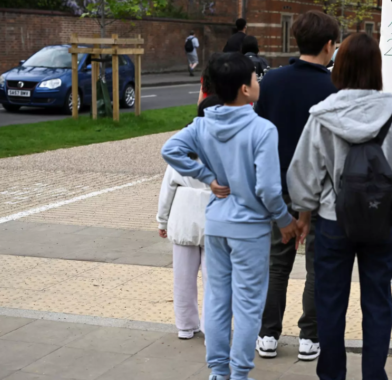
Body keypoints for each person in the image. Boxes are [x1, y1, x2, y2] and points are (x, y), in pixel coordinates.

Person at [286, 33, 392, 380]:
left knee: (330, 301)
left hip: (333, 222)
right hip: (383, 220)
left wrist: (304, 217)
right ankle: (373, 375)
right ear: (377, 68)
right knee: (378, 301)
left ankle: (332, 374)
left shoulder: (322, 116)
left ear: (342, 66)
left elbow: (304, 173)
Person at [161, 53, 298, 380]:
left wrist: (206, 176)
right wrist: (284, 220)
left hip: (217, 223)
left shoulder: (202, 124)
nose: (257, 82)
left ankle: (219, 373)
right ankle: (239, 374)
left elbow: (170, 150)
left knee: (218, 300)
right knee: (249, 305)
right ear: (245, 90)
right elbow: (267, 187)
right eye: (254, 78)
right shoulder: (263, 129)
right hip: (250, 228)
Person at [253, 10, 339, 362]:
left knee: (276, 262)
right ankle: (309, 337)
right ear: (329, 46)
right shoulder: (334, 87)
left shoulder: (270, 82)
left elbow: (257, 134)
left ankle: (268, 334)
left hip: (277, 189)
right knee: (318, 265)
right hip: (320, 190)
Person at [156, 96, 222, 341]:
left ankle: (185, 325)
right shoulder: (227, 145)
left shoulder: (181, 145)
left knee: (183, 278)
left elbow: (167, 189)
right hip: (215, 217)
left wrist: (162, 222)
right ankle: (212, 326)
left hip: (183, 215)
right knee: (214, 279)